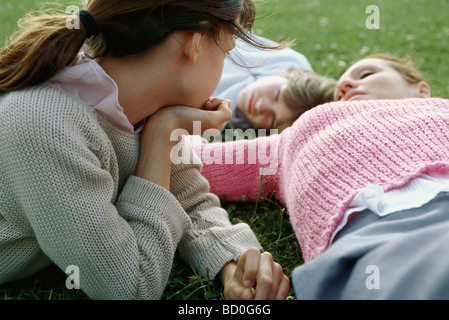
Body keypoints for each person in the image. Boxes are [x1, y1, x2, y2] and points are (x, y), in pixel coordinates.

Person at [0, 0, 290, 300]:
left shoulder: (140, 105)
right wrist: (162, 137)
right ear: (195, 43)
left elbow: (189, 202)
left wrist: (233, 261)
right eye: (226, 52)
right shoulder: (44, 123)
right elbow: (130, 287)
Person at [193, 53, 449, 299]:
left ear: (421, 90)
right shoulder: (300, 133)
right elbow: (193, 160)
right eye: (339, 92)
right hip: (376, 240)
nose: (345, 84)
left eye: (367, 73)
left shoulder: (441, 110)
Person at [215, 35, 337, 131]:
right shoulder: (287, 61)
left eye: (273, 120)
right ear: (285, 72)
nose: (261, 107)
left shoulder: (216, 118)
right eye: (276, 94)